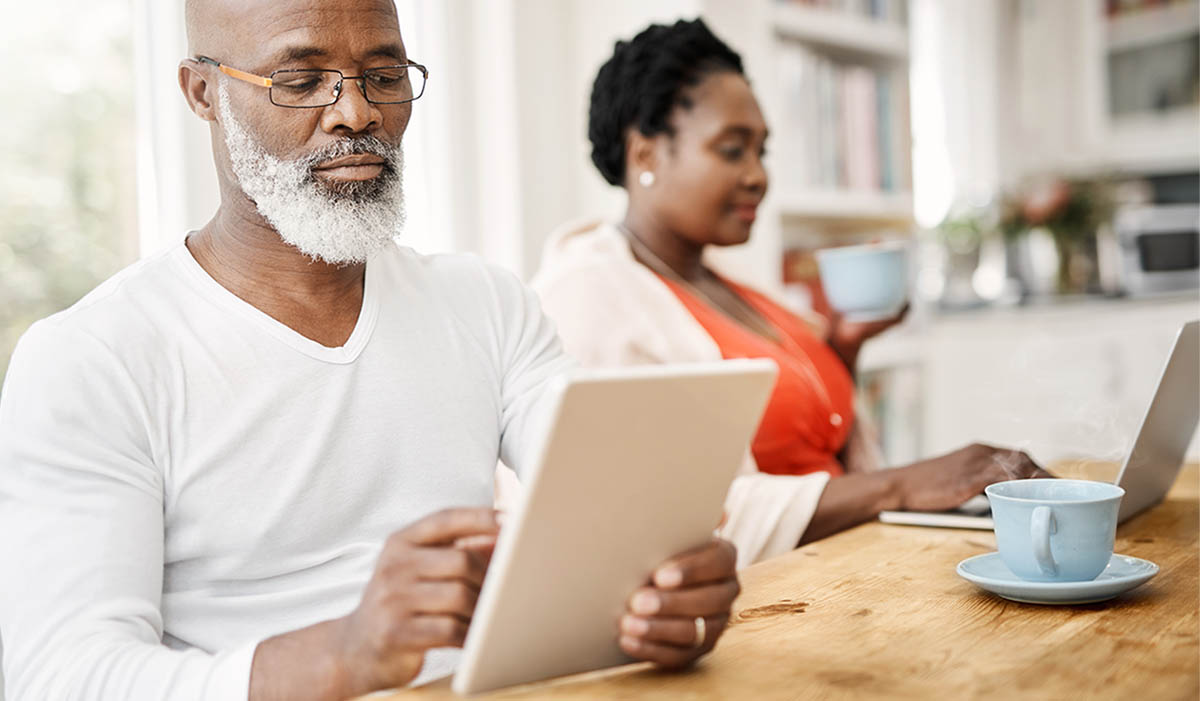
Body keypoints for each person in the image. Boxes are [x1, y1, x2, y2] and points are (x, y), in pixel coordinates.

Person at [0, 3, 741, 699]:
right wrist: (343, 652)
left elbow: (613, 510)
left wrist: (665, 590)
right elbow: (60, 674)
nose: (357, 113)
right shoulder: (93, 358)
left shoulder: (485, 304)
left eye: (385, 77)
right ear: (203, 93)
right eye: (300, 81)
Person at [530, 19, 1049, 567]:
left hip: (853, 575)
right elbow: (667, 520)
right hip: (765, 609)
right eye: (732, 150)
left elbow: (805, 445)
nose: (758, 176)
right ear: (645, 156)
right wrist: (905, 485)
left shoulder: (736, 292)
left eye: (762, 152)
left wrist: (843, 352)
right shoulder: (585, 299)